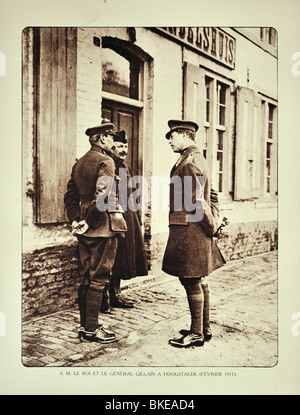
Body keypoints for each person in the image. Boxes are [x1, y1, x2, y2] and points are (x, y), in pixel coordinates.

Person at [162, 119, 226, 348]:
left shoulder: (189, 162)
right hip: (194, 228)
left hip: (190, 229)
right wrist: (215, 220)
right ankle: (203, 327)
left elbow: (198, 201)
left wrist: (212, 226)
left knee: (190, 280)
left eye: (172, 136)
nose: (169, 141)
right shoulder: (197, 158)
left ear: (184, 135)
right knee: (198, 279)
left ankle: (196, 334)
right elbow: (213, 195)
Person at [64, 120, 127, 344]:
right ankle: (91, 329)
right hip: (102, 226)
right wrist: (89, 223)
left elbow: (70, 197)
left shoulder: (80, 162)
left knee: (87, 277)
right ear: (102, 139)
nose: (113, 141)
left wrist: (76, 221)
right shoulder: (105, 160)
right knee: (99, 278)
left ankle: (85, 326)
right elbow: (103, 196)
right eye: (110, 137)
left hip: (83, 226)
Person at [101, 130, 148, 311]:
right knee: (109, 258)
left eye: (126, 146)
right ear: (112, 147)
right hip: (112, 218)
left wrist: (136, 216)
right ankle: (105, 296)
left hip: (127, 217)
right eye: (120, 146)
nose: (124, 150)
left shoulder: (125, 167)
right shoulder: (108, 165)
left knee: (121, 258)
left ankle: (116, 294)